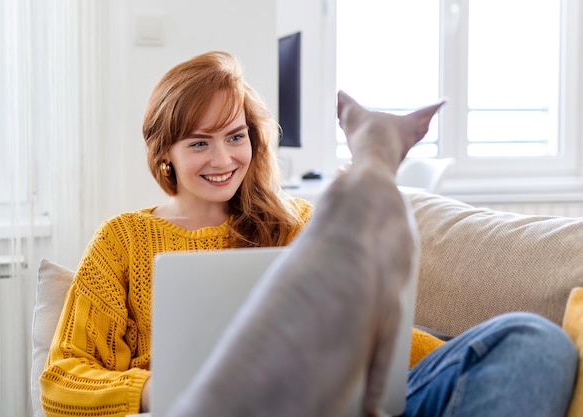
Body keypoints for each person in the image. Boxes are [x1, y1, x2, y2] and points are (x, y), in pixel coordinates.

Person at [40, 51, 577, 417]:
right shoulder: (123, 241)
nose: (224, 159)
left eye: (235, 137)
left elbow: (369, 332)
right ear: (166, 154)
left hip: (334, 400)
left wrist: (448, 353)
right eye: (199, 143)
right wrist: (161, 389)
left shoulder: (296, 223)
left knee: (533, 341)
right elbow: (61, 380)